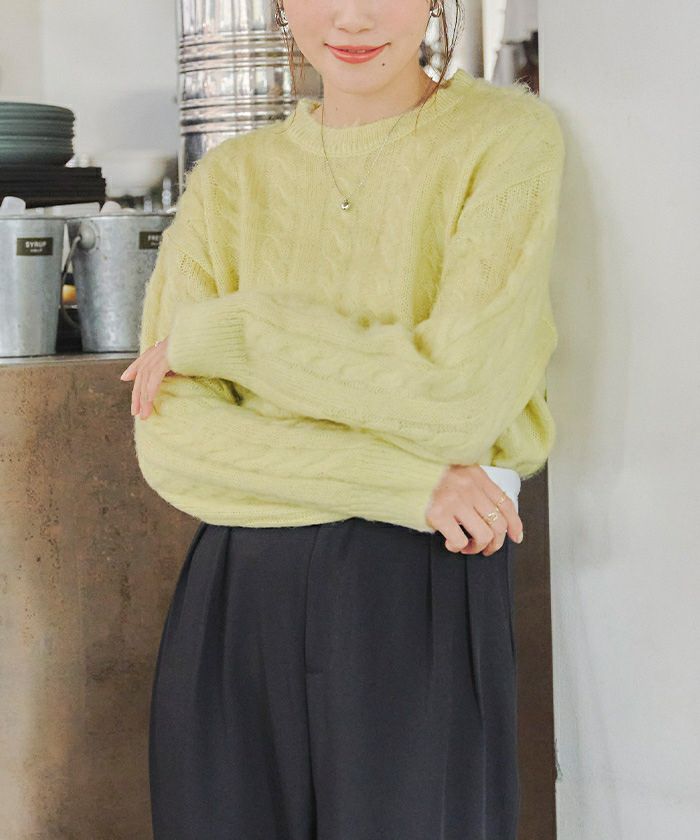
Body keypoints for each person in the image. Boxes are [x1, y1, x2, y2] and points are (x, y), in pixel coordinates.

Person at [119, 1, 565, 837]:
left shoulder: (504, 139)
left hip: (418, 580)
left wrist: (239, 336)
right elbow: (171, 436)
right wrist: (405, 481)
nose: (352, 17)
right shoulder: (231, 180)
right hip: (241, 584)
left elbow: (457, 399)